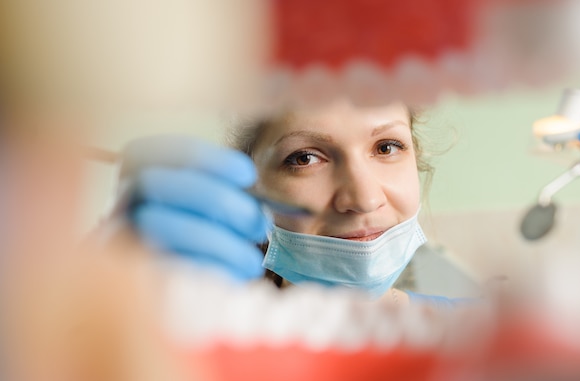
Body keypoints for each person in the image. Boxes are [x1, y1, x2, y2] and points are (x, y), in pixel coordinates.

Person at [122, 99, 441, 305]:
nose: (364, 199)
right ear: (249, 186)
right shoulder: (192, 351)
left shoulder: (472, 335)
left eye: (386, 147)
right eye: (305, 158)